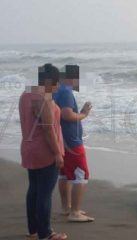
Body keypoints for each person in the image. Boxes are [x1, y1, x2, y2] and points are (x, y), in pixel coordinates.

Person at [19, 64, 67, 240]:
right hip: (44, 150)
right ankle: (46, 233)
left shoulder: (25, 94)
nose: (58, 86)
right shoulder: (43, 98)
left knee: (34, 190)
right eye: (57, 83)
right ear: (52, 81)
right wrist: (56, 153)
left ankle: (33, 230)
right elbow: (47, 129)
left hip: (28, 147)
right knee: (45, 193)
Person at [53, 65, 94, 222]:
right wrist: (84, 113)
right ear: (72, 78)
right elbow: (67, 115)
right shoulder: (66, 92)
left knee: (64, 174)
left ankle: (66, 208)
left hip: (61, 138)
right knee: (81, 174)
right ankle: (74, 212)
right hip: (71, 140)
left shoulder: (56, 90)